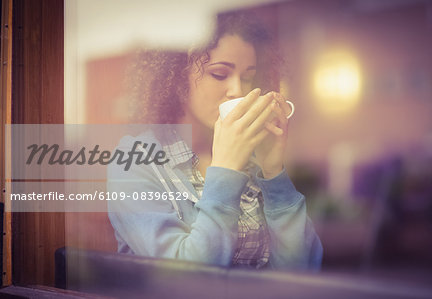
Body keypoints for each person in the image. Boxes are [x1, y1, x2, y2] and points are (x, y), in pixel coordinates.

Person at [107, 11, 322, 271]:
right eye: (220, 74)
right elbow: (186, 279)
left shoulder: (253, 158)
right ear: (176, 77)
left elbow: (301, 272)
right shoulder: (135, 161)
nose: (238, 91)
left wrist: (274, 171)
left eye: (247, 77)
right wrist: (226, 169)